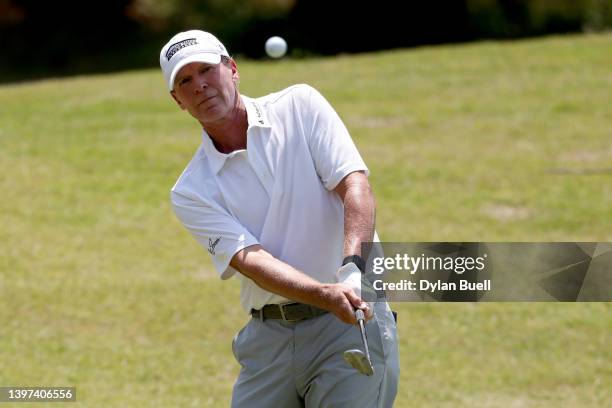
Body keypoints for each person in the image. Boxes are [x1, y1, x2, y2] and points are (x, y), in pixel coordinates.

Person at [160, 29, 399, 407]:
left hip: (350, 325)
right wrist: (323, 293)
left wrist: (352, 268)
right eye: (185, 81)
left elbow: (354, 185)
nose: (200, 86)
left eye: (207, 70)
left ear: (232, 69)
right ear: (178, 100)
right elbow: (250, 260)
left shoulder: (300, 106)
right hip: (269, 337)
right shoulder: (191, 190)